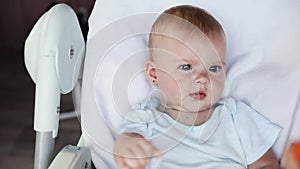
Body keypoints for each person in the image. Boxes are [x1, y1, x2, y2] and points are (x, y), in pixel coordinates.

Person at [113, 5, 281, 169]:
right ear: (154, 74)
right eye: (186, 67)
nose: (202, 79)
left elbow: (265, 163)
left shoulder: (235, 115)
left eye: (214, 68)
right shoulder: (145, 117)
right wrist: (128, 148)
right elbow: (127, 143)